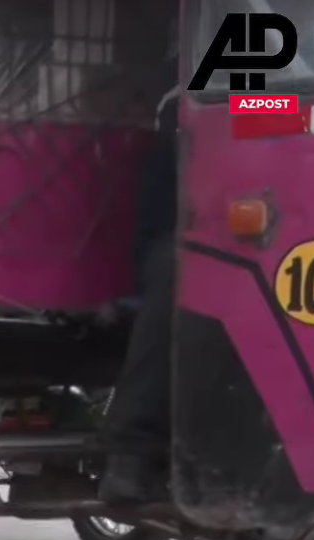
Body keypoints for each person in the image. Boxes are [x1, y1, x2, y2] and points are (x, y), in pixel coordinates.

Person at [100, 83, 180, 505]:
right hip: (181, 237)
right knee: (180, 274)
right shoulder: (185, 94)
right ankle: (131, 449)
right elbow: (272, 112)